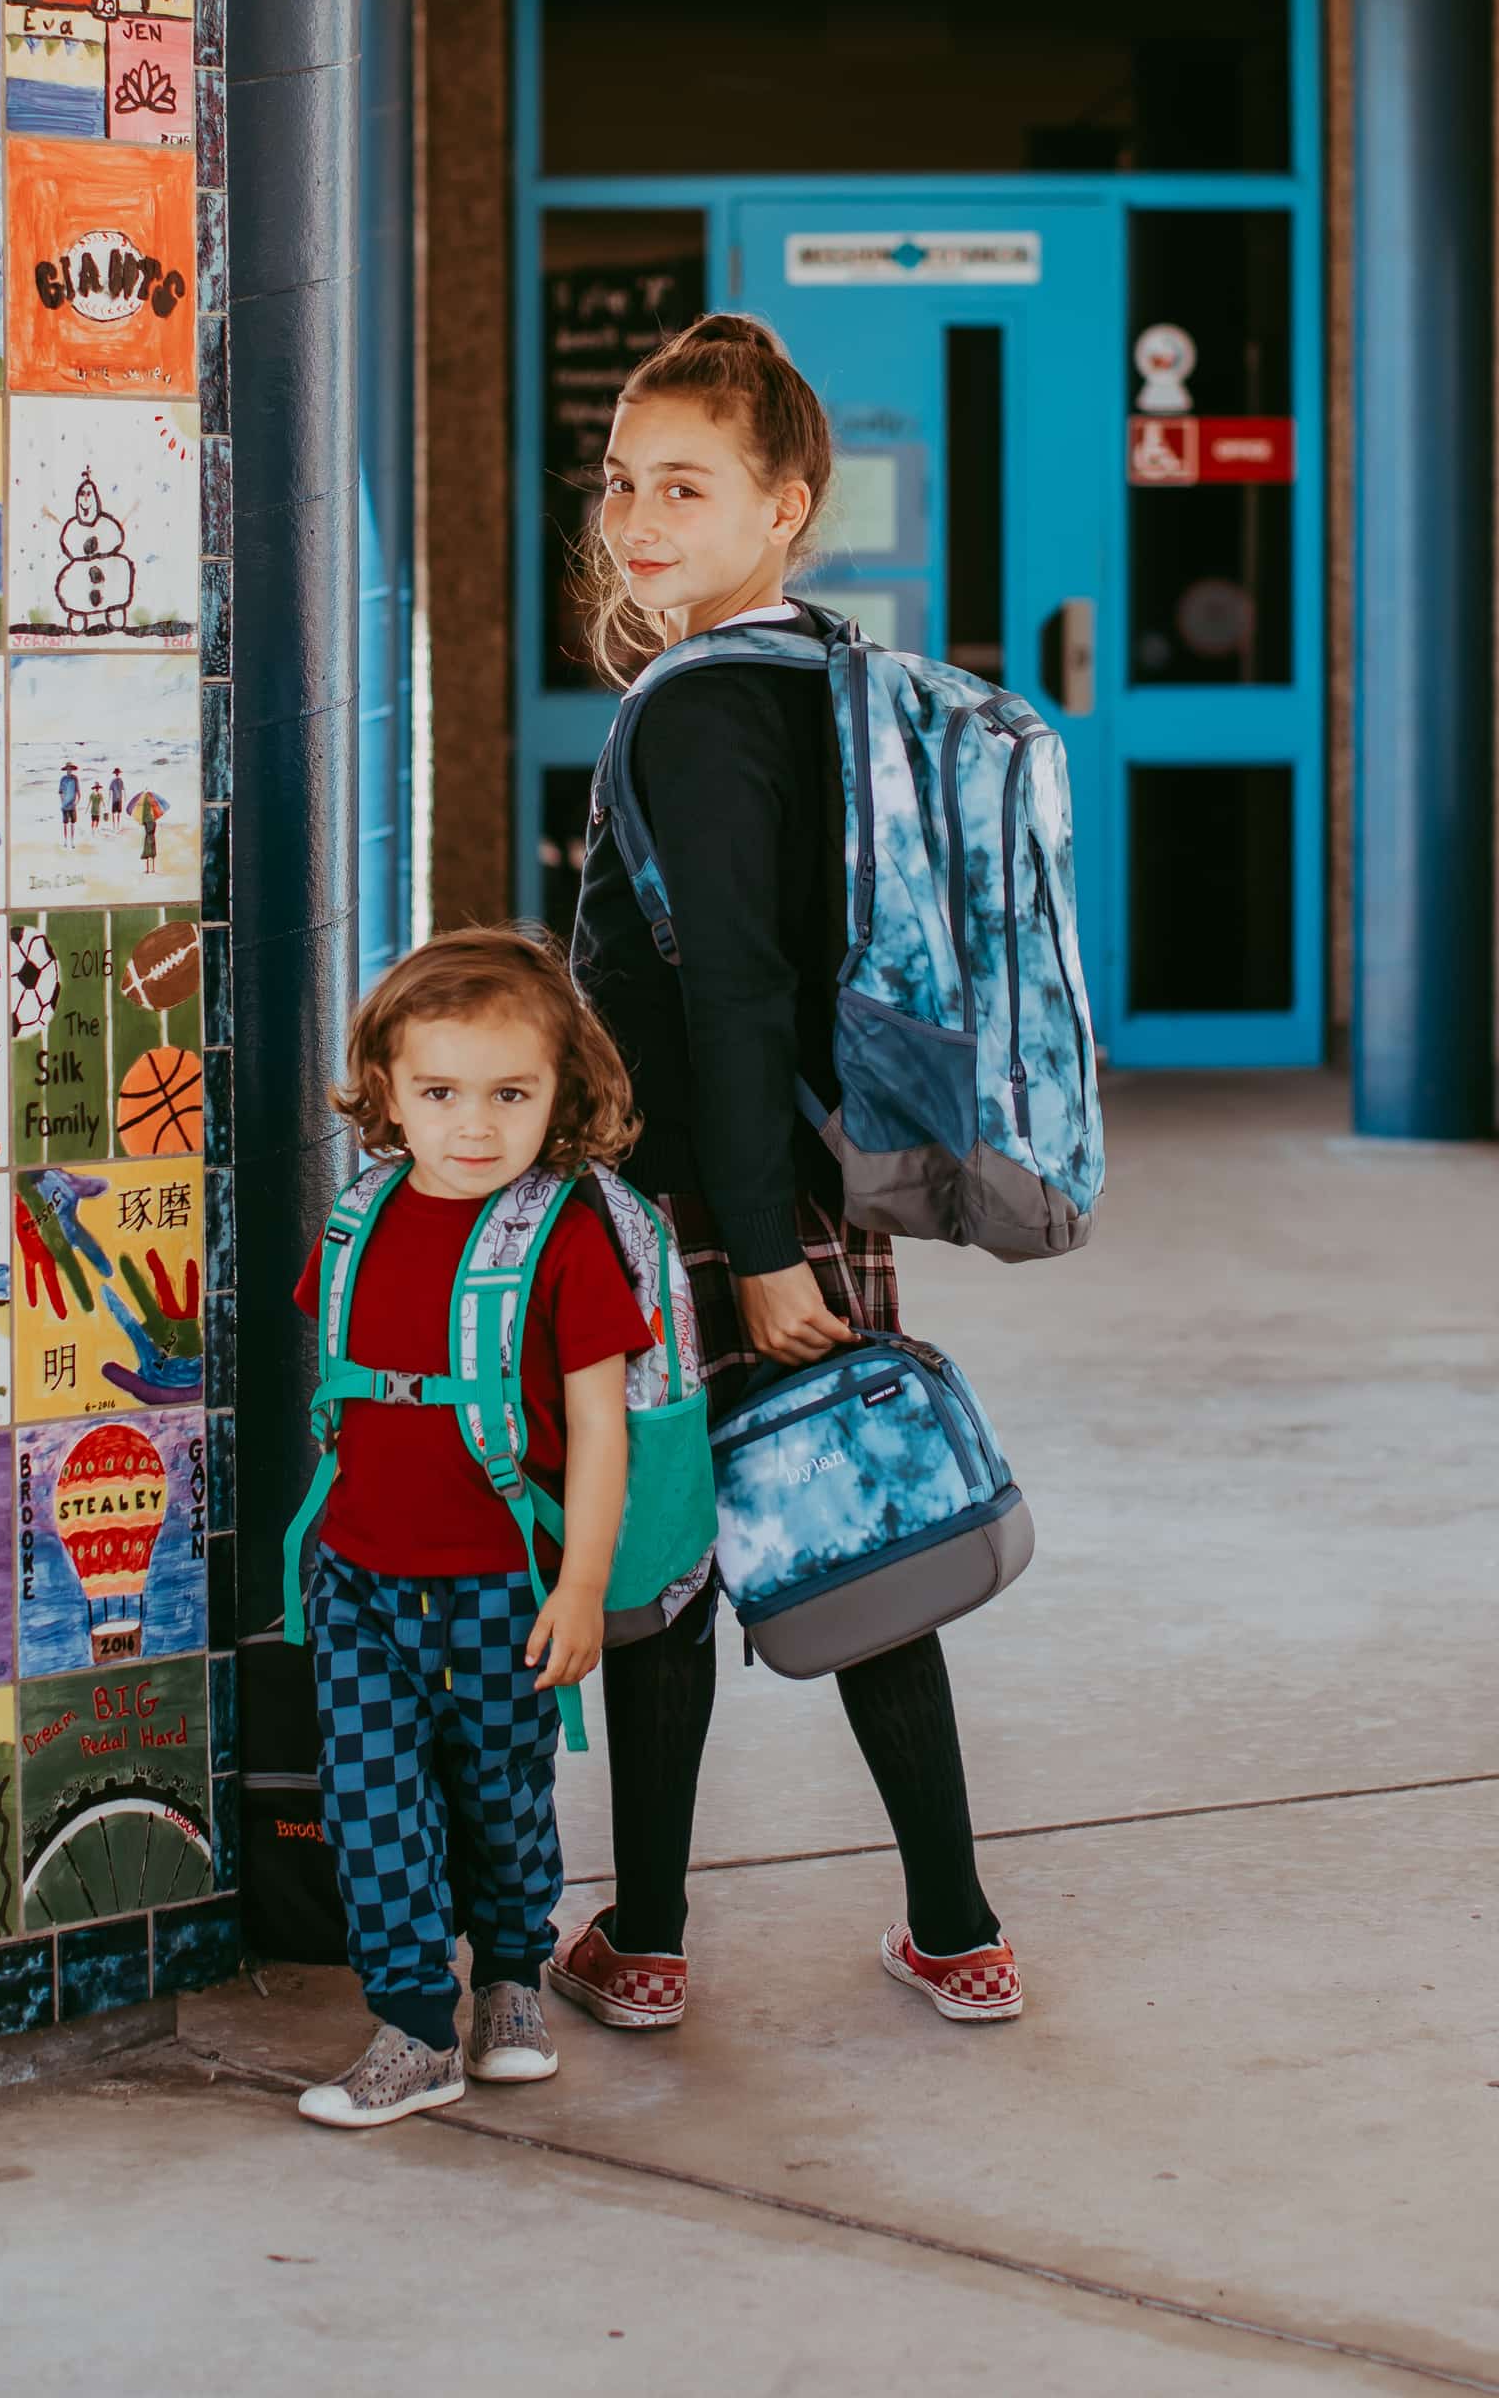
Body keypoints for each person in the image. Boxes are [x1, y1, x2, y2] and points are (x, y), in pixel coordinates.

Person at [558, 314, 1022, 2032]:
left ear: (785, 506)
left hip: (709, 1198)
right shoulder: (827, 678)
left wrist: (753, 1246)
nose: (639, 518)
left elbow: (740, 987)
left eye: (688, 485)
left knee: (670, 1558)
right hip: (799, 1182)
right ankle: (955, 1927)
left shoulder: (693, 708)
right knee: (854, 1529)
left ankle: (653, 1941)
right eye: (621, 482)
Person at [291, 929, 653, 2129]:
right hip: (357, 1578)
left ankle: (508, 1980)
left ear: (563, 1093)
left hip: (504, 1579)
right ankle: (408, 2026)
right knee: (369, 1800)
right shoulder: (357, 1220)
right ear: (386, 1090)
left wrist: (582, 1582)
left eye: (510, 1094)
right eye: (439, 1093)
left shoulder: (562, 1237)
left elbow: (601, 1428)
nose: (473, 1125)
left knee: (500, 1792)